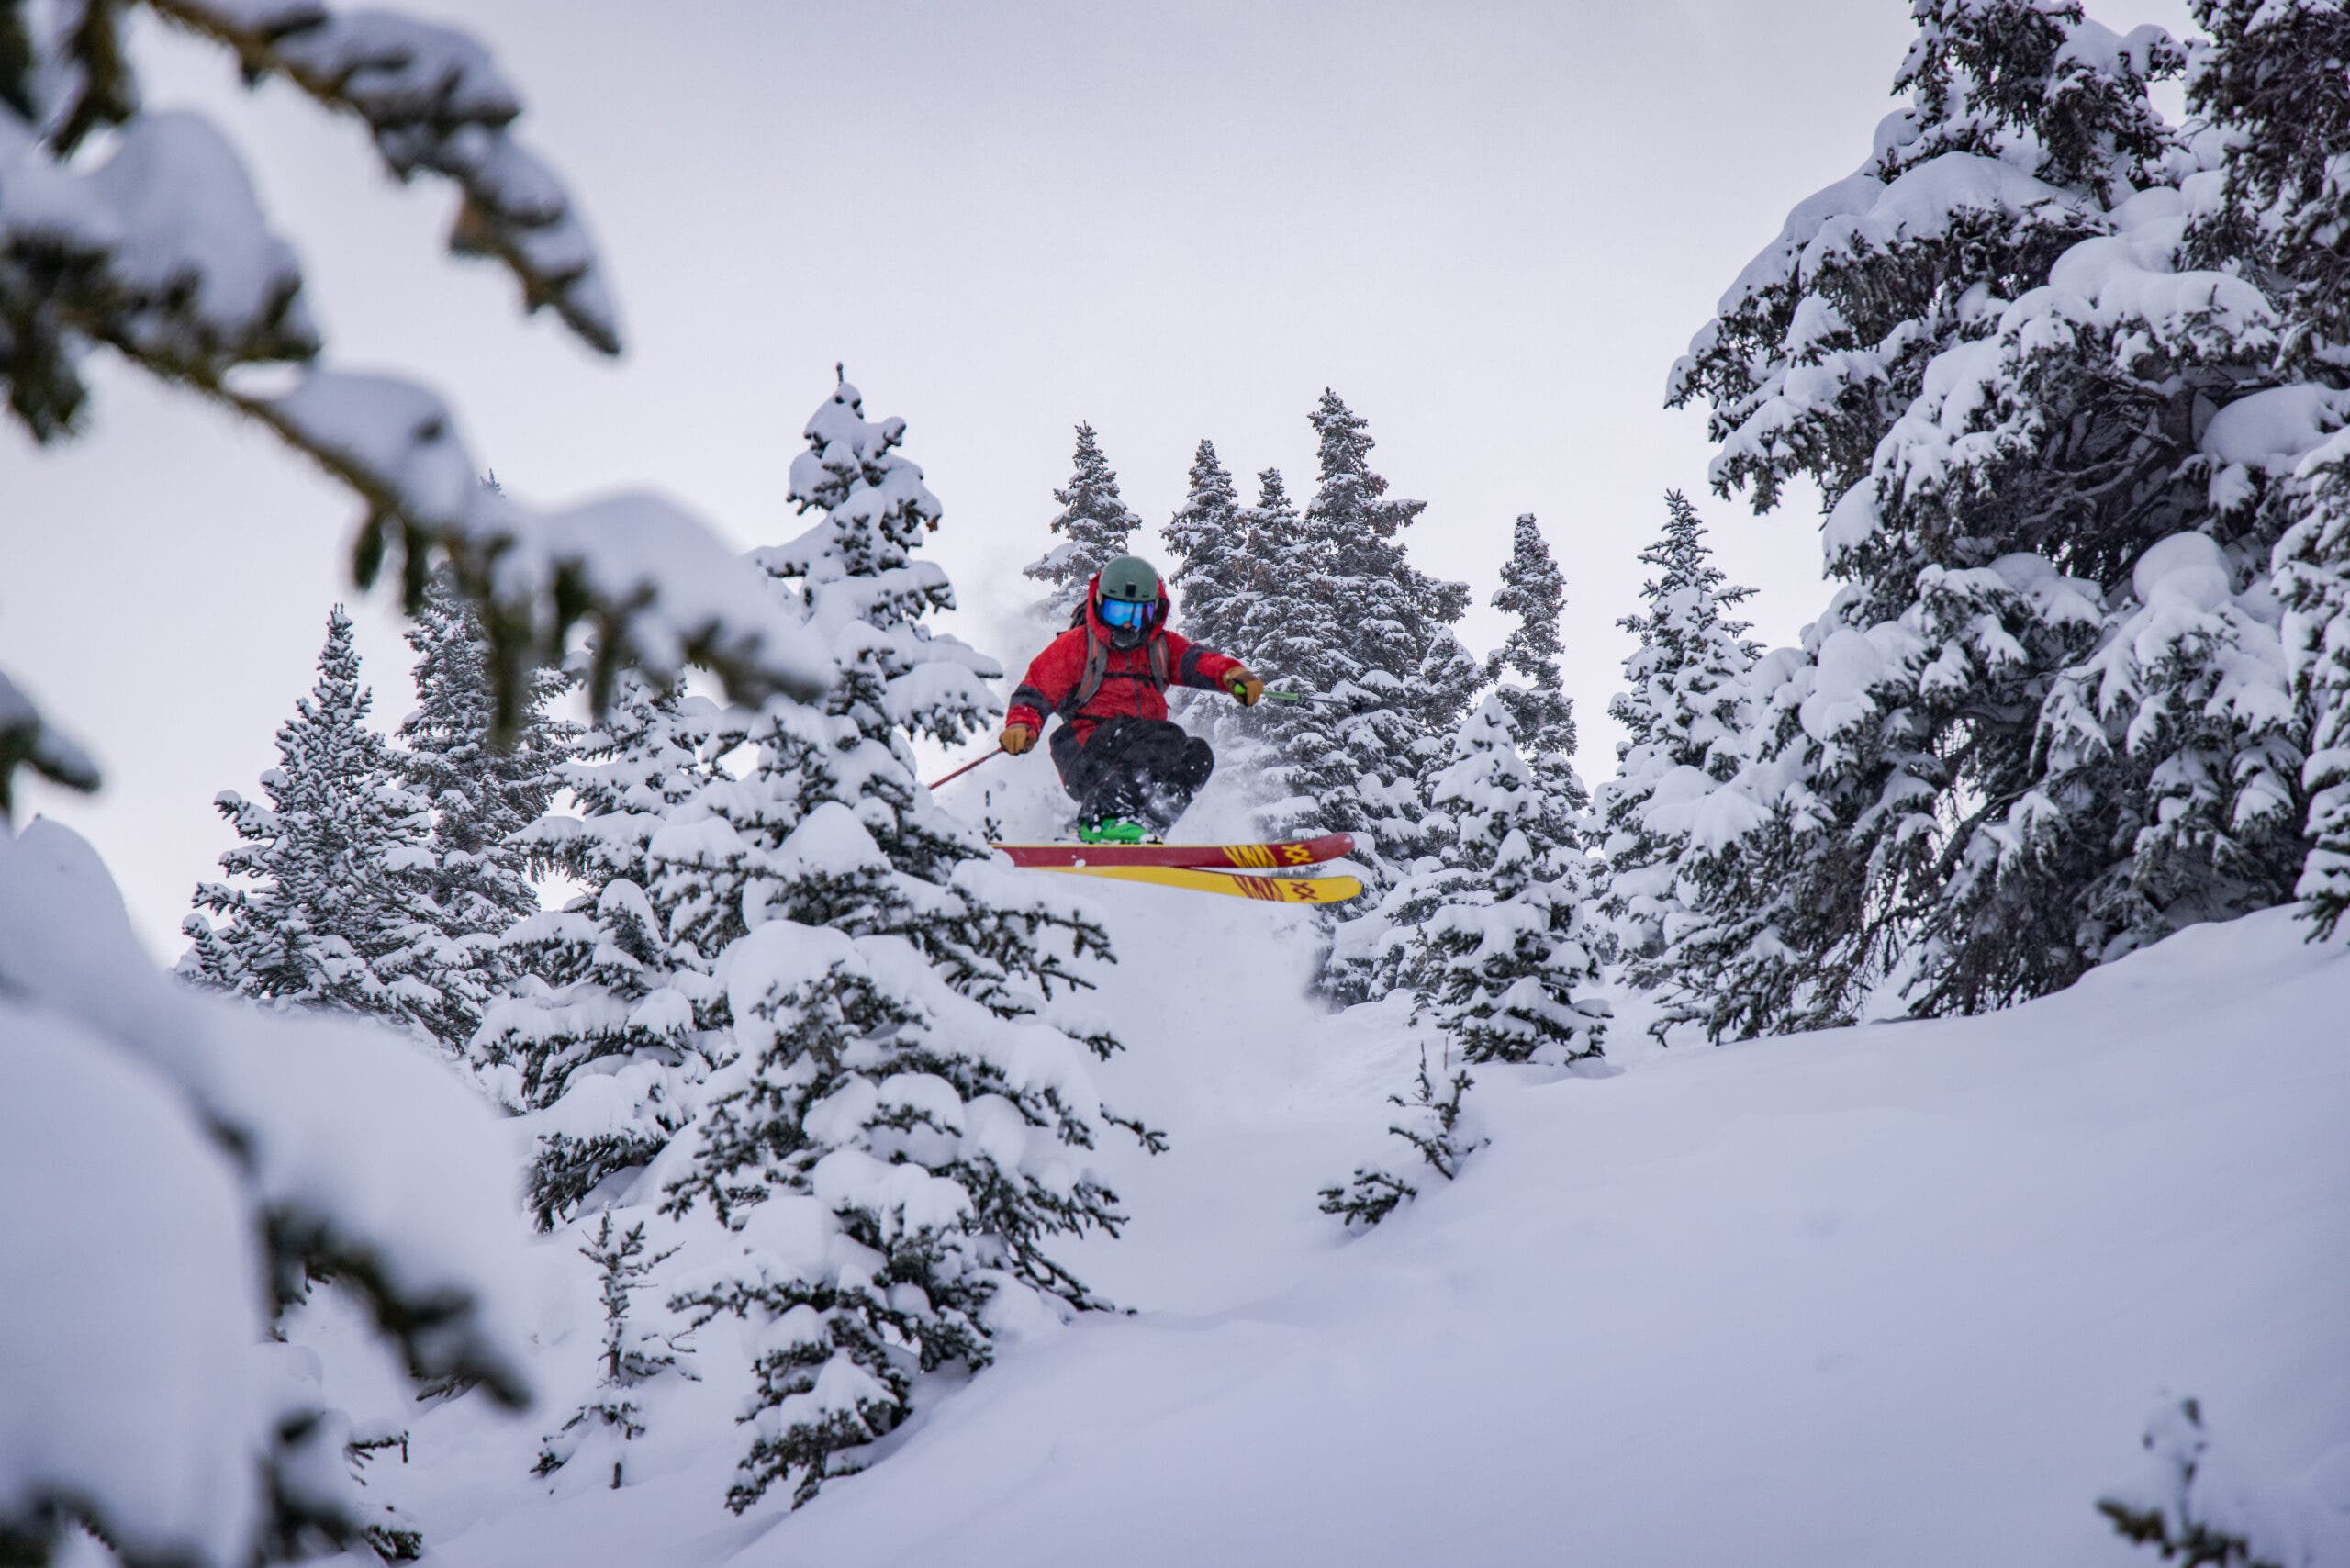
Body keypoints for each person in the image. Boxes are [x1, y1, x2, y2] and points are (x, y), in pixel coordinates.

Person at [1000, 554, 1263, 843]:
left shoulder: (1159, 647)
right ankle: (1099, 820)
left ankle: (1145, 827)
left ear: (1154, 612)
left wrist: (1231, 676)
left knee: (1196, 755)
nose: (1127, 626)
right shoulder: (1077, 646)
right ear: (1099, 605)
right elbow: (1035, 689)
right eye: (1117, 613)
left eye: (1137, 616)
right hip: (1086, 754)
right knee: (1166, 737)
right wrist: (1022, 726)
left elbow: (1198, 662)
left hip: (1138, 757)